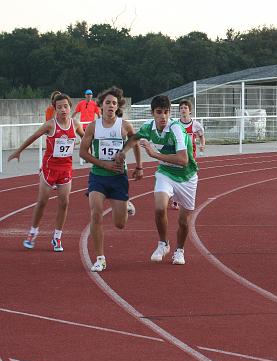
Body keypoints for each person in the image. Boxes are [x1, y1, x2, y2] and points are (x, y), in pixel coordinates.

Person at [117, 95, 198, 265]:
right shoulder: (149, 127)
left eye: (166, 112)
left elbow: (183, 160)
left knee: (184, 222)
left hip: (187, 177)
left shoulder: (176, 129)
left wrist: (154, 154)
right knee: (160, 208)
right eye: (159, 112)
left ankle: (179, 250)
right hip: (165, 173)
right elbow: (134, 138)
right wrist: (123, 152)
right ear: (152, 113)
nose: (163, 117)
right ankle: (163, 243)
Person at [8, 93, 84, 252]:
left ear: (70, 107)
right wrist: (18, 151)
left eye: (66, 106)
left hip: (65, 169)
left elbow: (86, 138)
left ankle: (57, 237)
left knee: (64, 203)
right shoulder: (50, 125)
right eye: (59, 107)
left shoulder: (75, 124)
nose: (63, 109)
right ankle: (33, 232)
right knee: (42, 202)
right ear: (55, 109)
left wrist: (94, 151)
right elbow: (33, 136)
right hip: (49, 169)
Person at [79, 86, 143, 272]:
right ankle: (100, 258)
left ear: (118, 106)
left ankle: (126, 204)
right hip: (98, 177)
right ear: (101, 105)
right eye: (107, 102)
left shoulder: (124, 126)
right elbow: (83, 152)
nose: (110, 106)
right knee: (96, 213)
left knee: (120, 224)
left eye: (114, 103)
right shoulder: (93, 126)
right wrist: (103, 164)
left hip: (118, 178)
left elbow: (136, 142)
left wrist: (139, 167)